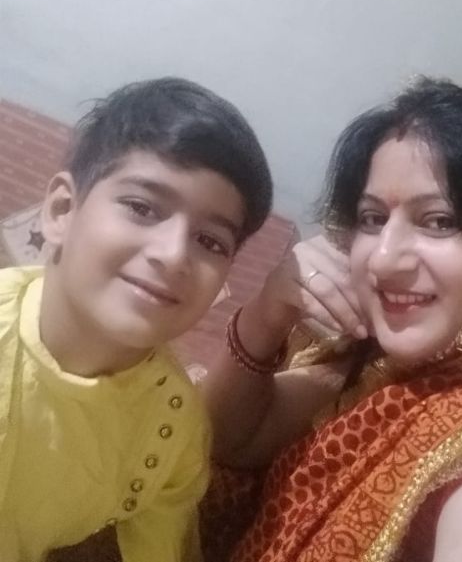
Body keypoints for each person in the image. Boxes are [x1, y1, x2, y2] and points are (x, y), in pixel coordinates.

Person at [203, 77, 462, 562]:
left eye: (439, 221)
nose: (384, 259)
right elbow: (230, 440)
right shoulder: (383, 370)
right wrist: (266, 314)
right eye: (372, 218)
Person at [0, 77, 272, 562]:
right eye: (142, 208)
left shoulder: (174, 429)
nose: (173, 255)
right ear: (62, 210)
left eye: (210, 241)